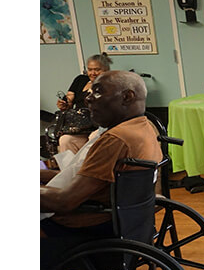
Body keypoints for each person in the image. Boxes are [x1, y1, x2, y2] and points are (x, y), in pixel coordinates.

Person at [41, 70, 161, 257]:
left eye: (97, 91)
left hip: (95, 224)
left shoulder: (115, 139)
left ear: (127, 96)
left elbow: (64, 201)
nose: (88, 98)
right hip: (130, 221)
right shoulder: (144, 127)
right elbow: (86, 176)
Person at [54, 53, 112, 155]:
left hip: (99, 126)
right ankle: (70, 170)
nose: (93, 73)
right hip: (80, 126)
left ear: (106, 70)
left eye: (97, 70)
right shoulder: (80, 80)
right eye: (90, 69)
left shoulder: (111, 84)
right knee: (65, 140)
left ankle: (89, 169)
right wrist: (65, 104)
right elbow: (69, 99)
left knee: (93, 137)